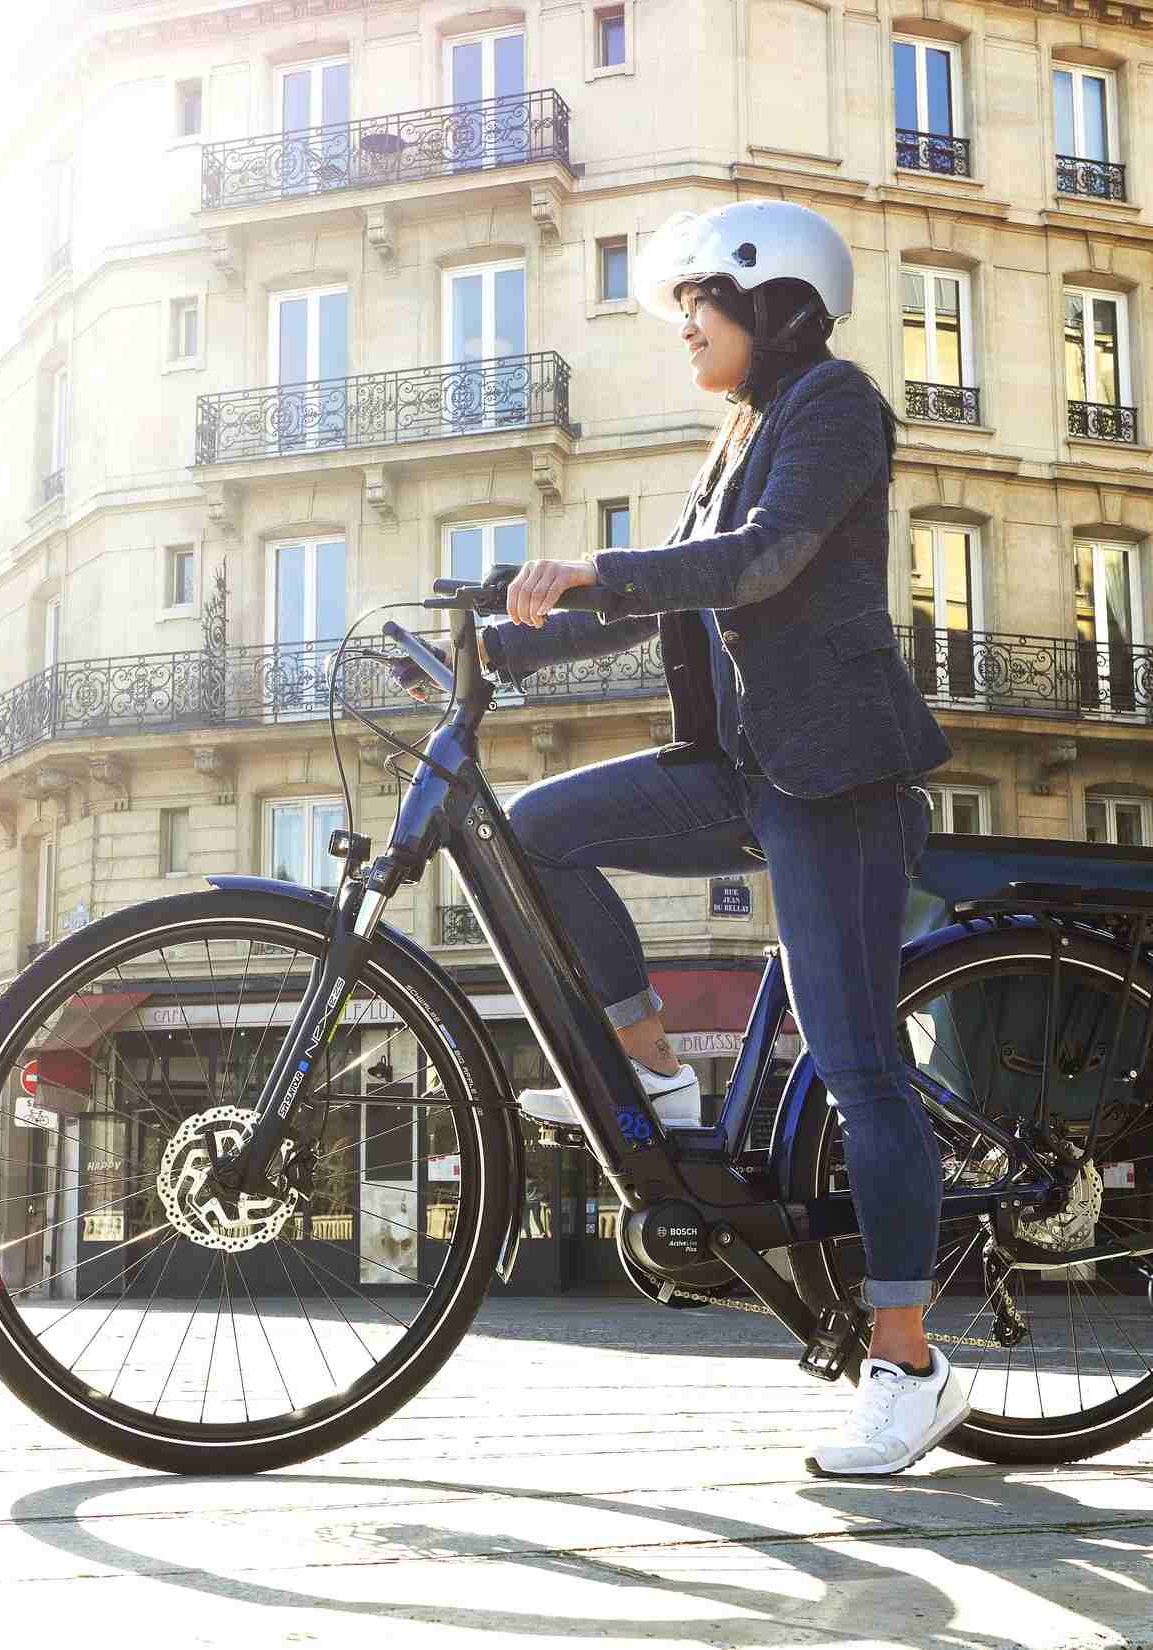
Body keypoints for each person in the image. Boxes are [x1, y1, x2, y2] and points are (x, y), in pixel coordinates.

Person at [396, 200, 964, 1477]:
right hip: (738, 768)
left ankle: (908, 1364)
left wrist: (592, 567)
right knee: (543, 830)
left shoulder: (836, 406)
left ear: (767, 302)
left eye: (694, 308)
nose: (683, 333)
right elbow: (669, 602)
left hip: (833, 774)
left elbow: (756, 566)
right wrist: (499, 636)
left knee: (857, 1064)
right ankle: (656, 1073)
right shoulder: (740, 432)